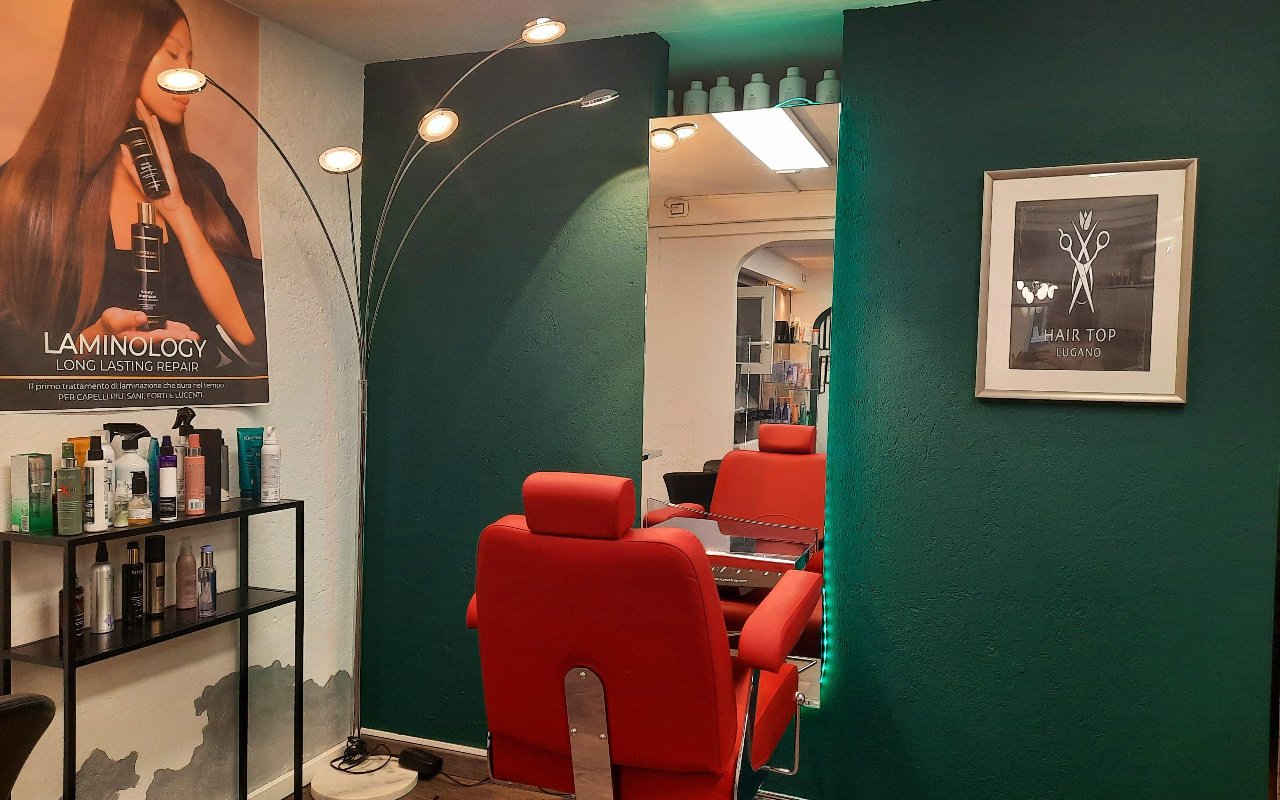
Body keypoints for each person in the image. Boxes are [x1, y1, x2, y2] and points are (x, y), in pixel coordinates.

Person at [0, 0, 265, 375]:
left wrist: (178, 212)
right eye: (172, 54)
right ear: (115, 55)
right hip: (81, 409)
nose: (187, 75)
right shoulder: (25, 188)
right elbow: (12, 350)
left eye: (190, 60)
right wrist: (95, 341)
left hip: (199, 403)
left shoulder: (202, 182)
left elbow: (255, 335)